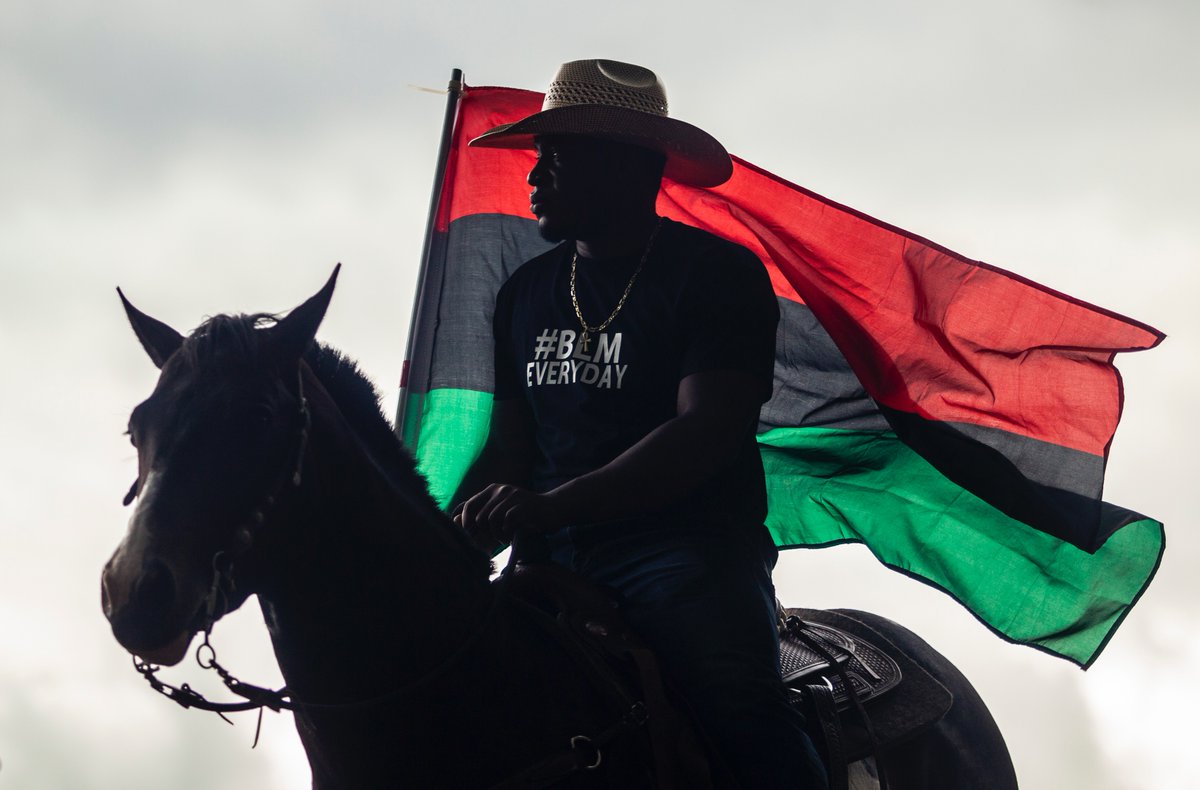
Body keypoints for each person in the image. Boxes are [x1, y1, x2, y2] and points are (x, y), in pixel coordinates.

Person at [453, 59, 827, 789]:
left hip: (684, 557)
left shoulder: (715, 275)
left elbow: (706, 433)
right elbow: (510, 446)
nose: (534, 180)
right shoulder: (524, 293)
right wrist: (441, 535)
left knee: (742, 714)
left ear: (626, 166)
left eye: (554, 161)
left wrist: (552, 505)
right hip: (546, 561)